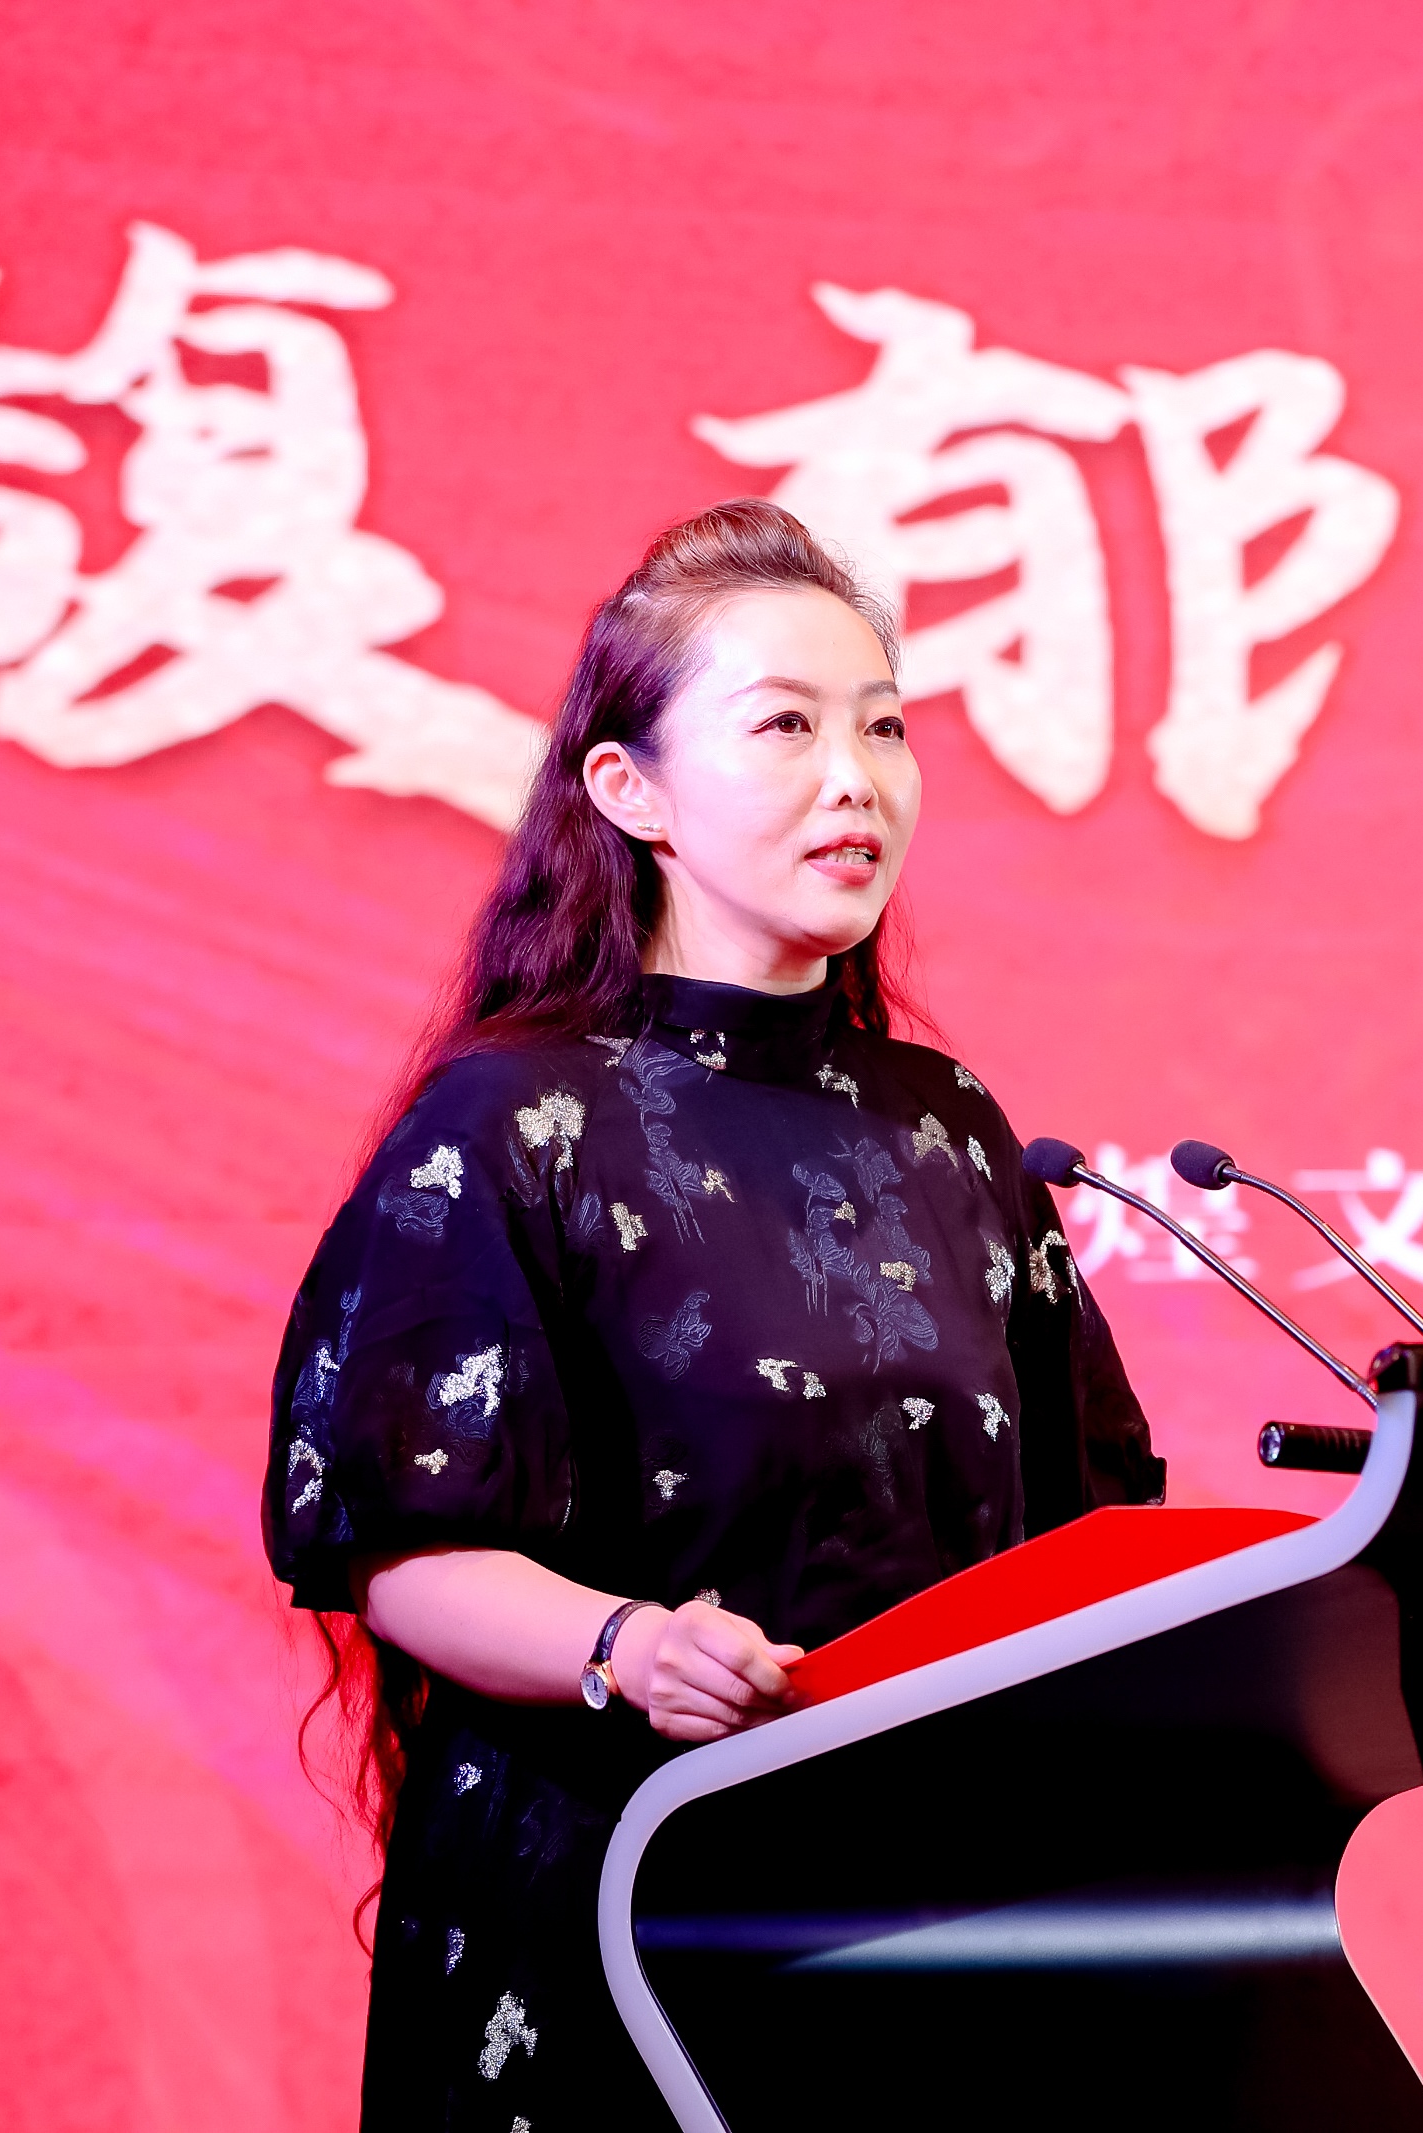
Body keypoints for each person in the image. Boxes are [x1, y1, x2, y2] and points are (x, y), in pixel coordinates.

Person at [261, 499, 1162, 2129]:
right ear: (632, 790)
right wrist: (626, 1646)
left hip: (922, 1922)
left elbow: (1083, 1532)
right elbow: (400, 1546)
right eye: (787, 727)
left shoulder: (947, 1126)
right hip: (616, 1906)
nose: (857, 778)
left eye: (884, 727)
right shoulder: (513, 1122)